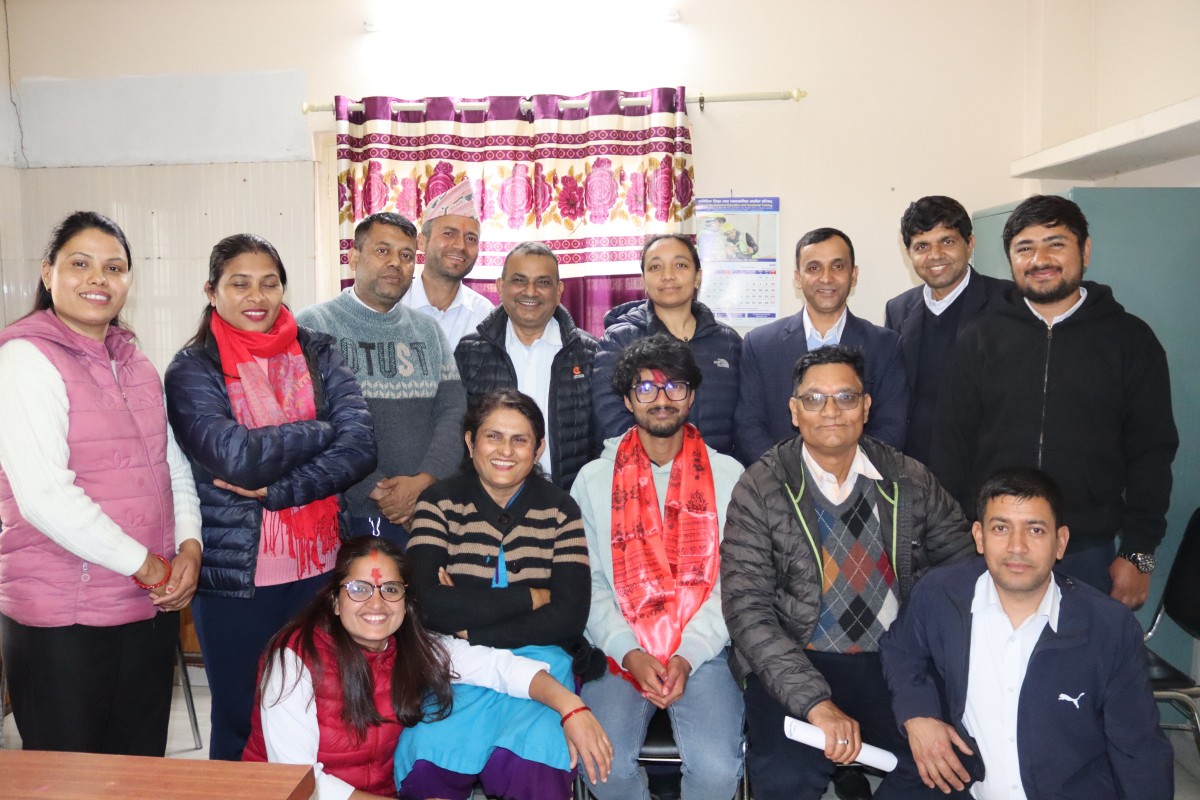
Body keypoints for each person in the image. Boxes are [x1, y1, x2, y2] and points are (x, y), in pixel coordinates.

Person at [721, 345, 974, 799]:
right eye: (814, 399)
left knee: (950, 765)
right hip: (796, 659)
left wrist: (921, 694)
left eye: (845, 397)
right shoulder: (761, 487)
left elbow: (963, 574)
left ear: (866, 406)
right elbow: (747, 610)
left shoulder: (909, 480)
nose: (831, 411)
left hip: (892, 661)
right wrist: (816, 704)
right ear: (794, 411)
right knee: (784, 778)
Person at [165, 233, 377, 760]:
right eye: (239, 284)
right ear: (212, 291)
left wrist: (280, 488)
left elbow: (361, 447)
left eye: (269, 283)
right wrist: (321, 429)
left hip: (319, 567)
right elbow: (235, 456)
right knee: (242, 715)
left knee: (317, 710)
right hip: (237, 578)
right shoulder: (192, 369)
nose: (256, 296)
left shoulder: (318, 351)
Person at [0, 211, 202, 755]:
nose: (98, 278)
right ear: (48, 273)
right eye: (80, 264)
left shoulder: (135, 362)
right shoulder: (23, 359)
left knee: (137, 770)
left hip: (147, 608)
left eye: (114, 267)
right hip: (63, 620)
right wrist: (149, 566)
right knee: (70, 779)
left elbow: (172, 465)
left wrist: (189, 547)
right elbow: (44, 496)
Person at [931, 195, 1178, 609]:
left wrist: (1139, 553)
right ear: (1010, 259)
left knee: (1082, 652)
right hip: (992, 547)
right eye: (1024, 248)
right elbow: (950, 447)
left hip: (1088, 553)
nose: (1039, 259)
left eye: (1055, 244)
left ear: (1085, 250)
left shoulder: (1131, 341)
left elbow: (1152, 454)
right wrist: (952, 544)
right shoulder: (979, 338)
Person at [243, 536, 612, 800]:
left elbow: (499, 668)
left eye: (390, 589)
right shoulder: (292, 661)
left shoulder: (412, 645)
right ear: (335, 601)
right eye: (359, 589)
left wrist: (571, 707)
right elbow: (299, 782)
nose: (376, 603)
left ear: (406, 601)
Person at [881, 467, 1173, 799]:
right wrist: (918, 714)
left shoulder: (1109, 628)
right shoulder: (940, 593)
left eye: (1035, 530)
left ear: (1060, 542)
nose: (1016, 547)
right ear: (979, 537)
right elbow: (900, 650)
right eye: (1001, 528)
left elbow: (1139, 748)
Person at [572, 335, 746, 800]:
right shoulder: (593, 480)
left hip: (703, 651)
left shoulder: (729, 477)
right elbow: (587, 584)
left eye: (675, 386)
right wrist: (628, 651)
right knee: (603, 766)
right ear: (628, 400)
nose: (662, 399)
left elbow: (735, 583)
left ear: (692, 395)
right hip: (619, 650)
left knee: (716, 771)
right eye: (646, 388)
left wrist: (688, 654)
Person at [399, 389, 593, 799]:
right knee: (427, 761)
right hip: (457, 667)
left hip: (543, 667)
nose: (506, 451)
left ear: (539, 449)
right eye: (493, 436)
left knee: (533, 767)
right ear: (470, 442)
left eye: (520, 440)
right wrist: (531, 598)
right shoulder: (437, 503)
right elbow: (426, 606)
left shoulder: (561, 510)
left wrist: (472, 624)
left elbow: (569, 616)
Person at [297, 212, 467, 546]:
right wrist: (378, 490)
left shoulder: (428, 330)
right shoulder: (314, 326)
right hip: (348, 511)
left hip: (427, 507)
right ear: (353, 258)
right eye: (382, 251)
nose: (395, 263)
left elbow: (453, 411)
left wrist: (423, 483)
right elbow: (310, 421)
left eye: (406, 255)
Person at [737, 227, 907, 464]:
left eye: (838, 266)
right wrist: (784, 476)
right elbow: (749, 426)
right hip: (780, 480)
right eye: (814, 268)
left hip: (861, 481)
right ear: (798, 278)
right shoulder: (760, 345)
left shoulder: (885, 345)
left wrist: (846, 475)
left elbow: (891, 427)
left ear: (854, 275)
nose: (826, 278)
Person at [455, 241, 598, 490]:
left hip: (570, 498)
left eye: (543, 282)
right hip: (491, 497)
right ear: (500, 287)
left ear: (559, 290)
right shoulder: (470, 352)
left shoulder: (589, 354)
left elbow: (600, 439)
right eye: (519, 281)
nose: (530, 292)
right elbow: (459, 434)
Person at [884, 196, 1010, 464]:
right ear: (909, 253)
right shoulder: (898, 309)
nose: (935, 255)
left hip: (984, 464)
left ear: (970, 244)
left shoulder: (1007, 302)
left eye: (947, 241)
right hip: (916, 468)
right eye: (922, 246)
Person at [592, 234, 741, 457]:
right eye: (655, 267)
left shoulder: (728, 341)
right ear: (643, 280)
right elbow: (609, 416)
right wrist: (664, 463)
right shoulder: (619, 340)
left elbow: (744, 417)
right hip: (640, 469)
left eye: (680, 265)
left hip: (716, 470)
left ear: (698, 277)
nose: (668, 275)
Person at [401, 180, 494, 349]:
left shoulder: (484, 314)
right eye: (449, 233)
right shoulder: (393, 305)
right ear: (421, 242)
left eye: (471, 238)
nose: (460, 245)